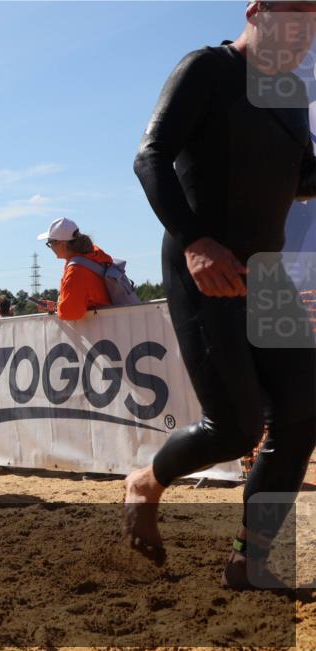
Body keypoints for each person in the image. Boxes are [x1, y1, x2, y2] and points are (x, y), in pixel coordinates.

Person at [127, 1, 316, 588]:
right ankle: (143, 484)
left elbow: (303, 177)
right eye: (297, 17)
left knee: (302, 409)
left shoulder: (290, 95)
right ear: (257, 11)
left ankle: (250, 559)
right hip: (204, 269)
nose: (306, 34)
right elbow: (150, 156)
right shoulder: (206, 69)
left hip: (265, 274)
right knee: (234, 428)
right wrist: (195, 241)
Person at [35, 217, 112, 321]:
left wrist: (57, 307)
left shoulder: (76, 271)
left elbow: (70, 313)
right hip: (113, 323)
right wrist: (57, 305)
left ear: (61, 243)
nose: (51, 247)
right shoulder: (92, 256)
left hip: (103, 328)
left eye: (50, 243)